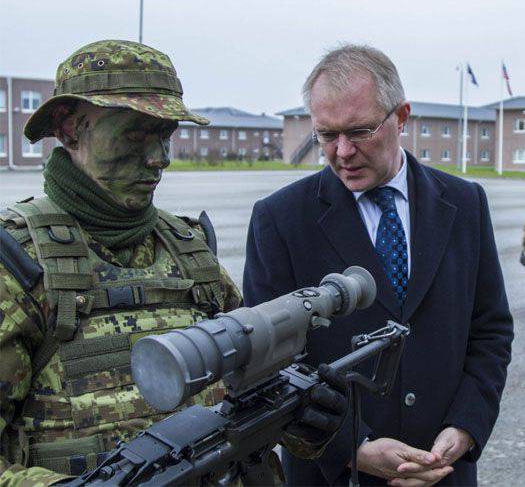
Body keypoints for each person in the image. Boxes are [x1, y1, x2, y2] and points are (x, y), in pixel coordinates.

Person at [0, 40, 347, 485]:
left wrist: (306, 422)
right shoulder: (16, 263)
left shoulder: (191, 251)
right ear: (70, 129)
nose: (158, 159)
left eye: (165, 135)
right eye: (135, 133)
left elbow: (252, 398)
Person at [244, 44, 514, 486]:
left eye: (360, 131)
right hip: (332, 475)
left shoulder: (465, 204)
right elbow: (267, 368)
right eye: (326, 135)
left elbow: (491, 331)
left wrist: (466, 426)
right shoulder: (280, 220)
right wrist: (353, 446)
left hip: (443, 471)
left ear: (402, 116)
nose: (342, 151)